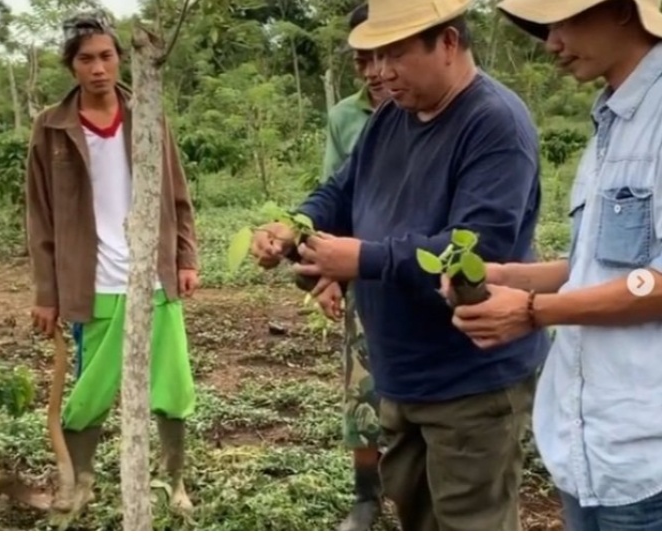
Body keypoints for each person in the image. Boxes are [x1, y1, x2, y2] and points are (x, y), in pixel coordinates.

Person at [250, 0, 550, 531]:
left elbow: (479, 249)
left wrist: (362, 258)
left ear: (450, 44)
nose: (380, 71)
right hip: (402, 375)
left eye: (394, 54)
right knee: (415, 513)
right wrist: (296, 226)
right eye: (373, 55)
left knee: (470, 522)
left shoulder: (494, 123)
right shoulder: (393, 115)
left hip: (469, 381)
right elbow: (340, 191)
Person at [450, 0, 662, 531]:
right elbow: (606, 265)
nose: (552, 43)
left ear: (621, 10)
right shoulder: (613, 119)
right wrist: (506, 277)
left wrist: (533, 311)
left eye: (563, 21)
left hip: (647, 456)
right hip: (588, 446)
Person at [25, 11, 199, 516]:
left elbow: (177, 191)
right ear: (71, 66)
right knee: (90, 391)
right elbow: (39, 216)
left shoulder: (148, 113)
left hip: (153, 275)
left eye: (106, 56)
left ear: (120, 59)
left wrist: (184, 255)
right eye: (86, 59)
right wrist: (45, 293)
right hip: (92, 279)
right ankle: (80, 483)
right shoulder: (52, 128)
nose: (98, 68)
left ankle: (175, 482)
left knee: (173, 386)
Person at [316, 3, 389, 531]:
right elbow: (332, 196)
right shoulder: (346, 116)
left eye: (379, 56)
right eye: (360, 59)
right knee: (363, 392)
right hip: (361, 272)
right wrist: (329, 273)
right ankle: (366, 499)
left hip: (421, 272)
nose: (371, 71)